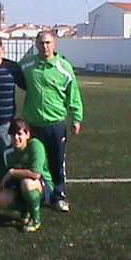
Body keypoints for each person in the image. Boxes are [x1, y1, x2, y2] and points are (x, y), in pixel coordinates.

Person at [19, 30, 84, 212]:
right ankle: (38, 194)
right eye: (41, 43)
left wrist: (76, 118)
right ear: (36, 44)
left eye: (48, 43)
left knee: (56, 162)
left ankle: (59, 196)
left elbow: (74, 95)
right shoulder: (27, 65)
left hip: (55, 124)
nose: (44, 46)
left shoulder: (64, 67)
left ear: (54, 44)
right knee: (35, 163)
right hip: (32, 126)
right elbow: (15, 75)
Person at [0, 118, 53, 233]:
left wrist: (12, 172)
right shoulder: (8, 153)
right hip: (19, 186)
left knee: (27, 183)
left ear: (27, 134)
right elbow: (2, 176)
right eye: (13, 135)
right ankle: (26, 209)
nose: (16, 138)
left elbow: (35, 174)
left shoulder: (35, 145)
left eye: (19, 134)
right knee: (1, 199)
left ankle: (35, 219)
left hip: (42, 185)